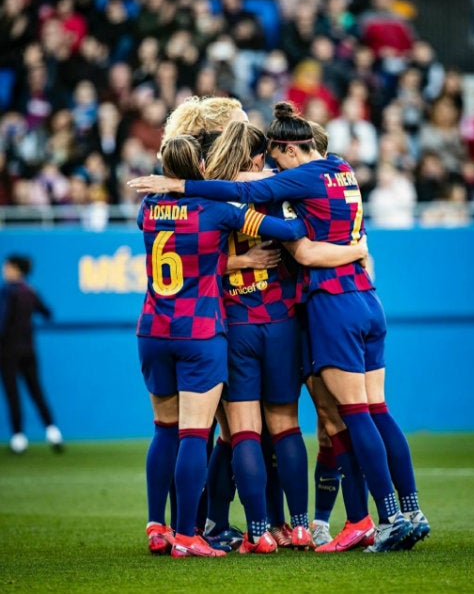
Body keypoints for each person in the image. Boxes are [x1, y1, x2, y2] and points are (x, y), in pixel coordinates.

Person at [150, 101, 431, 553]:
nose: (270, 161)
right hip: (328, 308)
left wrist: (180, 185)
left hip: (243, 319)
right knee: (329, 419)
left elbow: (269, 225)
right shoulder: (340, 169)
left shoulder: (180, 208)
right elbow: (291, 231)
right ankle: (343, 519)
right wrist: (356, 249)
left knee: (229, 432)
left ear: (289, 149)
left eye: (276, 154)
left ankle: (234, 527)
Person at [136, 133, 308, 558]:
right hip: (199, 331)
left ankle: (158, 525)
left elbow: (185, 247)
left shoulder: (147, 208)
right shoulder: (217, 210)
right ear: (200, 167)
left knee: (164, 431)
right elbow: (286, 230)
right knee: (197, 434)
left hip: (152, 329)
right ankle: (189, 535)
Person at [0, 255, 64, 454]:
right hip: (29, 350)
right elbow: (47, 312)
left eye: (7, 267)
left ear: (16, 269)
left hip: (8, 351)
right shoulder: (29, 291)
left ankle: (19, 438)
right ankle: (53, 433)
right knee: (36, 391)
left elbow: (2, 320)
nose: (4, 270)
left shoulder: (7, 292)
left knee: (13, 393)